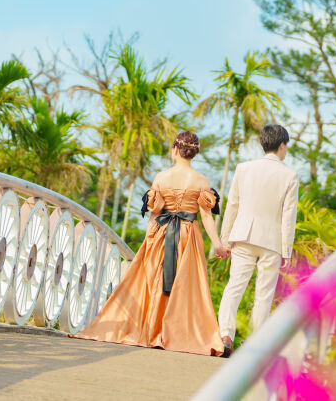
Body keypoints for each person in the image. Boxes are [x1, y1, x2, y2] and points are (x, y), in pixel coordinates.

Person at [73, 131, 230, 356]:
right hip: (189, 236)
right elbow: (206, 217)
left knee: (155, 282)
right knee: (185, 285)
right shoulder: (201, 180)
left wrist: (149, 239)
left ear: (175, 150)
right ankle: (176, 334)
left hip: (163, 234)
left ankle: (153, 330)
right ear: (193, 153)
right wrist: (217, 244)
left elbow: (155, 213)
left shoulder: (162, 177)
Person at [217, 124, 299, 356]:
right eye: (286, 147)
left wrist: (225, 239)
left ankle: (225, 335)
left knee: (234, 287)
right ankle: (252, 345)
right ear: (282, 145)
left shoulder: (244, 168)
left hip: (243, 235)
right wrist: (286, 251)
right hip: (272, 241)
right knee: (263, 294)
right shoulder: (290, 175)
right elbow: (288, 216)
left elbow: (232, 204)